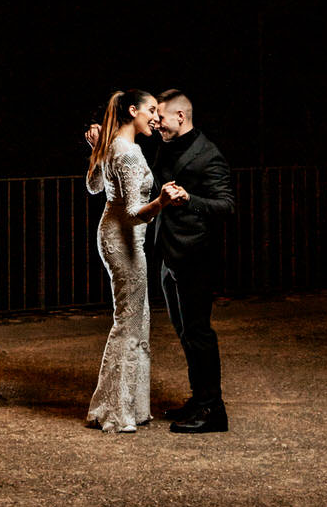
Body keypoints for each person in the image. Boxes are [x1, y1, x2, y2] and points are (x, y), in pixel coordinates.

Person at [87, 89, 235, 435]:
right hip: (166, 253)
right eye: (151, 113)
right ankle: (199, 400)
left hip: (195, 253)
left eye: (161, 115)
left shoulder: (208, 155)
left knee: (197, 331)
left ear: (180, 117)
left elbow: (226, 205)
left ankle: (213, 409)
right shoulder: (158, 146)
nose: (156, 121)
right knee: (184, 331)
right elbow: (123, 185)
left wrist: (186, 198)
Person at [84, 90, 180, 434]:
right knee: (129, 321)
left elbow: (94, 186)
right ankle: (116, 410)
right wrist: (162, 202)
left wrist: (95, 150)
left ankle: (130, 407)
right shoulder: (127, 152)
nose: (155, 117)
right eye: (151, 110)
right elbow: (132, 212)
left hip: (115, 235)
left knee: (136, 318)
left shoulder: (111, 146)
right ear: (133, 111)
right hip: (123, 239)